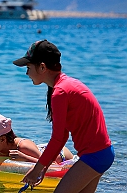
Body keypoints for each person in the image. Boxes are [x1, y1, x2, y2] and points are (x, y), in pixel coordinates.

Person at [12, 39, 115, 192]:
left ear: (42, 67)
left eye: (28, 67)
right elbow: (63, 136)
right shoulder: (65, 85)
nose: (26, 73)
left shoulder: (60, 92)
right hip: (102, 154)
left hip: (94, 156)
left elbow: (57, 138)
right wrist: (43, 168)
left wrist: (36, 170)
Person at [0, 113, 73, 164]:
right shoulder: (0, 148)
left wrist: (25, 157)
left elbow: (50, 165)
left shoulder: (23, 147)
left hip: (59, 155)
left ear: (2, 139)